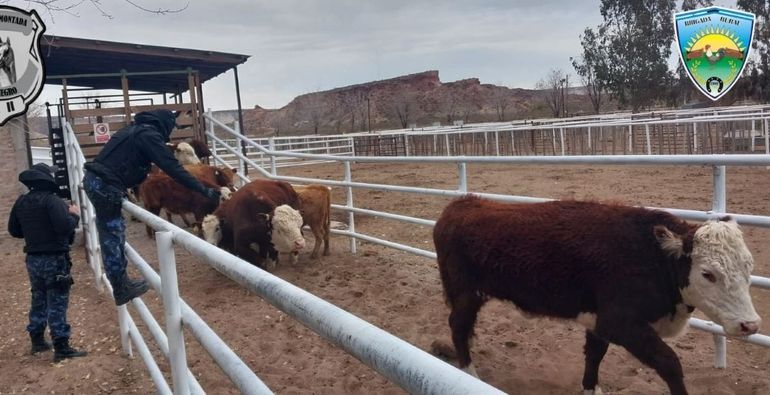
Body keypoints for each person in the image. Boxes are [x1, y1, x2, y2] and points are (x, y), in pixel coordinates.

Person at [83, 109, 220, 306]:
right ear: (164, 124)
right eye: (171, 128)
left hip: (96, 181)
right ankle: (120, 287)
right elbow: (172, 168)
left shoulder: (132, 130)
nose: (170, 133)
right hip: (105, 185)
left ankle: (120, 281)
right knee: (112, 233)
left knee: (110, 231)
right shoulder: (148, 136)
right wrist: (202, 190)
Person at [8, 163, 87, 362]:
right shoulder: (52, 201)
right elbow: (64, 228)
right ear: (48, 179)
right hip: (55, 257)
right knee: (58, 299)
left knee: (39, 296)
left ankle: (37, 340)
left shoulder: (21, 202)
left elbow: (14, 231)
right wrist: (75, 215)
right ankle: (61, 346)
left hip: (33, 258)